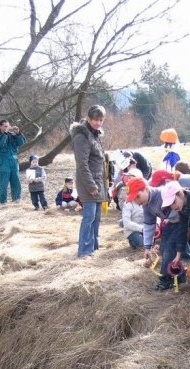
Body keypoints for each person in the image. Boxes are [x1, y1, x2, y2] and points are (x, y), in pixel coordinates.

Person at [125, 177, 186, 291]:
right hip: (172, 223)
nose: (137, 202)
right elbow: (149, 225)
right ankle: (181, 274)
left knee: (169, 248)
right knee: (164, 248)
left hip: (182, 221)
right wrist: (147, 247)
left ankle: (166, 280)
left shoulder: (161, 194)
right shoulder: (146, 205)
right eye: (134, 199)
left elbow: (179, 207)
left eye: (138, 196)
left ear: (146, 189)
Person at [70, 105, 108, 259]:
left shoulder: (95, 135)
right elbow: (82, 164)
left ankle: (93, 245)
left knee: (97, 216)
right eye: (95, 120)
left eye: (100, 120)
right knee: (89, 217)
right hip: (89, 184)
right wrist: (91, 186)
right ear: (88, 119)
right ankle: (85, 250)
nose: (98, 123)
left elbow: (98, 160)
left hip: (98, 182)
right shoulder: (82, 137)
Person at [0, 119, 26, 205]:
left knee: (16, 181)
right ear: (0, 127)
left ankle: (16, 199)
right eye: (5, 126)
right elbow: (0, 146)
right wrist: (5, 134)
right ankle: (2, 201)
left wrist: (18, 133)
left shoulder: (12, 134)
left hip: (14, 161)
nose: (7, 128)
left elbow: (21, 142)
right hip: (4, 162)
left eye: (8, 126)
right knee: (3, 183)